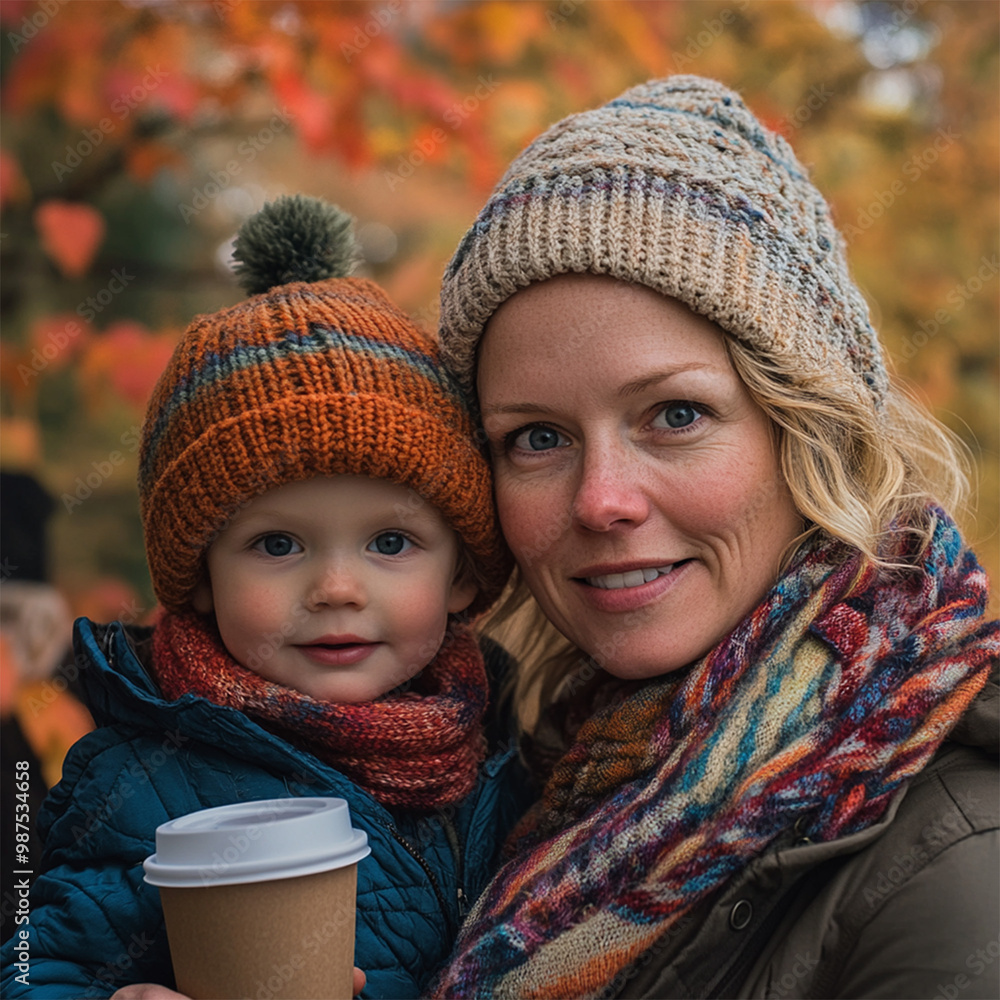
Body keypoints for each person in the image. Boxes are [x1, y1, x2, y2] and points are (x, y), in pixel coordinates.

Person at [430, 76, 1000, 999]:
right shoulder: (517, 798)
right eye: (537, 438)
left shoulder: (952, 860)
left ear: (804, 431)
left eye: (676, 415)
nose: (601, 501)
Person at [0, 196, 530, 1000]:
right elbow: (38, 961)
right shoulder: (151, 785)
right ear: (202, 579)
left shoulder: (509, 750)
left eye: (390, 543)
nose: (336, 588)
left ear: (461, 573)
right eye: (276, 545)